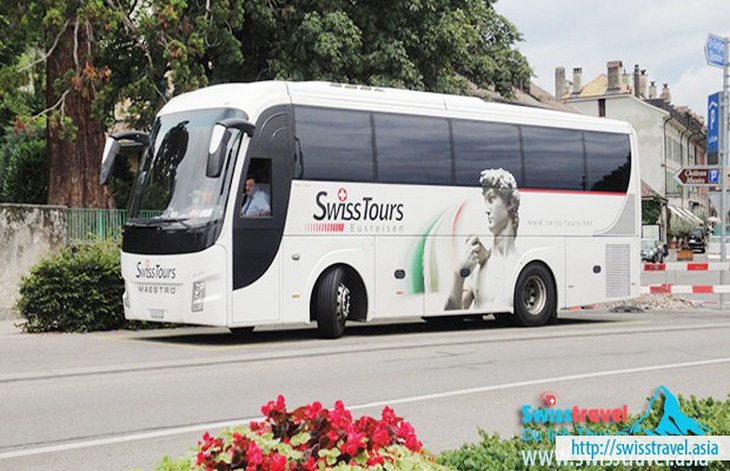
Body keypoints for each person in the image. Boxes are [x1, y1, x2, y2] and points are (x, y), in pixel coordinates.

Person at [445, 168, 520, 310]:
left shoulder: (521, 265)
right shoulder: (479, 264)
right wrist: (459, 275)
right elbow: (453, 313)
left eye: (491, 199)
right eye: (485, 201)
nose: (486, 209)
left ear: (509, 204)